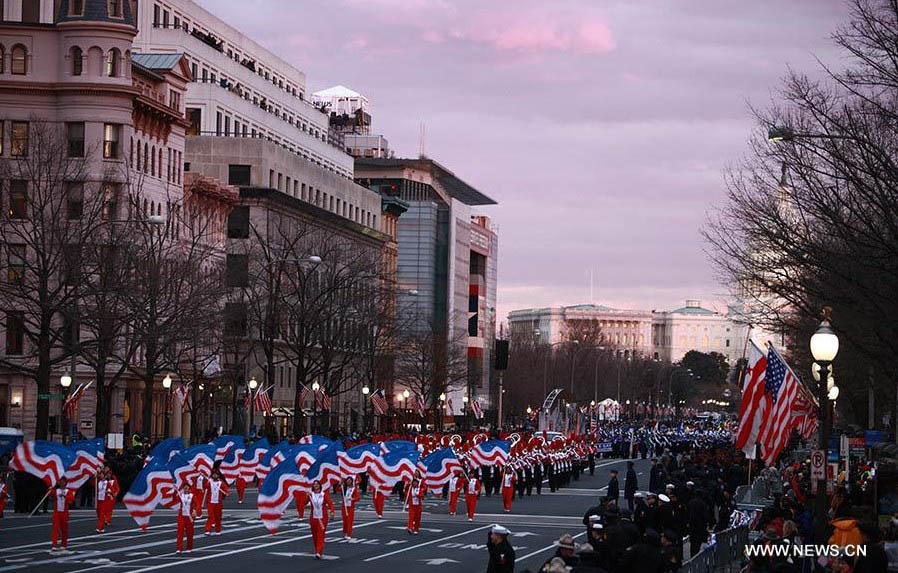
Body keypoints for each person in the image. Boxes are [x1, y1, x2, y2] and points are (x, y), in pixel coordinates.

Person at [305, 481, 334, 559]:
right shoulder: (311, 494)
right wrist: (307, 496)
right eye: (314, 485)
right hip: (313, 518)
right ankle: (318, 551)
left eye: (317, 484)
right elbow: (304, 503)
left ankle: (318, 551)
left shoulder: (324, 494)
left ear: (320, 486)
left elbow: (330, 503)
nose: (316, 486)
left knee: (320, 535)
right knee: (315, 536)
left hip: (322, 518)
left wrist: (332, 511)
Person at [50, 477, 75, 552]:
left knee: (64, 529)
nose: (62, 483)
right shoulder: (56, 491)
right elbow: (51, 495)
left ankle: (64, 544)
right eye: (60, 482)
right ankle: (54, 544)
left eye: (63, 482)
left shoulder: (68, 491)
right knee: (55, 528)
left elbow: (71, 500)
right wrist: (51, 489)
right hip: (57, 512)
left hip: (64, 512)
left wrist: (65, 496)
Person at [174, 482, 198, 554]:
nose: (186, 488)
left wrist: (195, 510)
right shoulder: (180, 495)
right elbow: (175, 500)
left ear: (189, 488)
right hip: (182, 516)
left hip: (189, 516)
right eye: (184, 487)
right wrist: (175, 492)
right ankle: (179, 548)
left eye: (187, 487)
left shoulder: (192, 496)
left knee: (189, 533)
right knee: (180, 532)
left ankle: (189, 547)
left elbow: (197, 504)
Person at [204, 470, 228, 535]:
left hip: (218, 502)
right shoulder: (209, 482)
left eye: (216, 475)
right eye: (213, 474)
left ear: (218, 476)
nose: (215, 476)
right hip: (210, 502)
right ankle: (207, 530)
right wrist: (207, 481)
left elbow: (226, 491)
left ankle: (218, 530)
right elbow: (205, 486)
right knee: (210, 516)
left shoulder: (221, 483)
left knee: (218, 517)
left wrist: (226, 493)